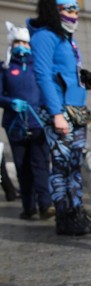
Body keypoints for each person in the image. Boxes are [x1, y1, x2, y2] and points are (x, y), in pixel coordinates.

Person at [28, 0, 91, 235]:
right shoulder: (44, 36)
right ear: (54, 9)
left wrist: (86, 79)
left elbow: (67, 73)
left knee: (73, 164)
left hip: (77, 110)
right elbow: (43, 75)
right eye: (69, 9)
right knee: (61, 165)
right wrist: (56, 113)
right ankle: (64, 215)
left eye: (76, 9)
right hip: (60, 111)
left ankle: (77, 210)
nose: (74, 14)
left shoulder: (67, 39)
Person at [0, 21, 53, 219]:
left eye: (25, 42)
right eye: (18, 42)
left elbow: (47, 91)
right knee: (22, 167)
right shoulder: (5, 68)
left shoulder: (37, 67)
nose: (22, 46)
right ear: (11, 44)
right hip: (15, 126)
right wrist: (9, 102)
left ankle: (46, 205)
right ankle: (28, 206)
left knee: (40, 164)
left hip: (37, 123)